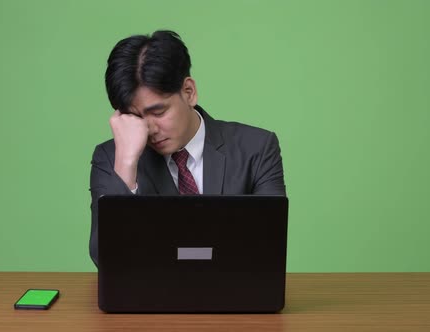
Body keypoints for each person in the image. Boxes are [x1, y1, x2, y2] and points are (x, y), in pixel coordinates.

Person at [89, 30, 286, 267]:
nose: (149, 129)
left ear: (189, 92)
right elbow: (106, 260)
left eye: (159, 112)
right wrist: (125, 165)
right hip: (151, 300)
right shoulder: (110, 158)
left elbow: (268, 248)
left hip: (235, 296)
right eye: (134, 117)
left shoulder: (257, 148)